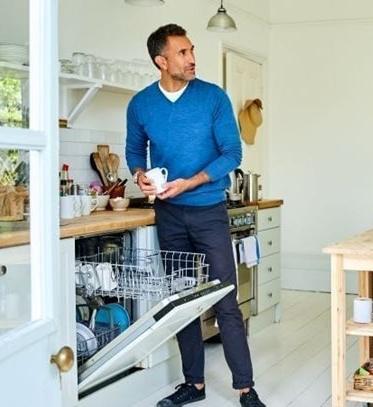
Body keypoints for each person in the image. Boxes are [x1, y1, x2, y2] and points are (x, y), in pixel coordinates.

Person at [125, 23, 266, 407]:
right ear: (161, 60)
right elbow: (135, 151)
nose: (192, 59)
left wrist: (189, 183)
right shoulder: (141, 105)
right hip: (169, 217)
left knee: (224, 299)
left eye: (191, 51)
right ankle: (194, 385)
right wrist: (140, 175)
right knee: (182, 299)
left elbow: (232, 154)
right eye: (183, 53)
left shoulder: (213, 98)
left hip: (208, 212)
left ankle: (245, 388)